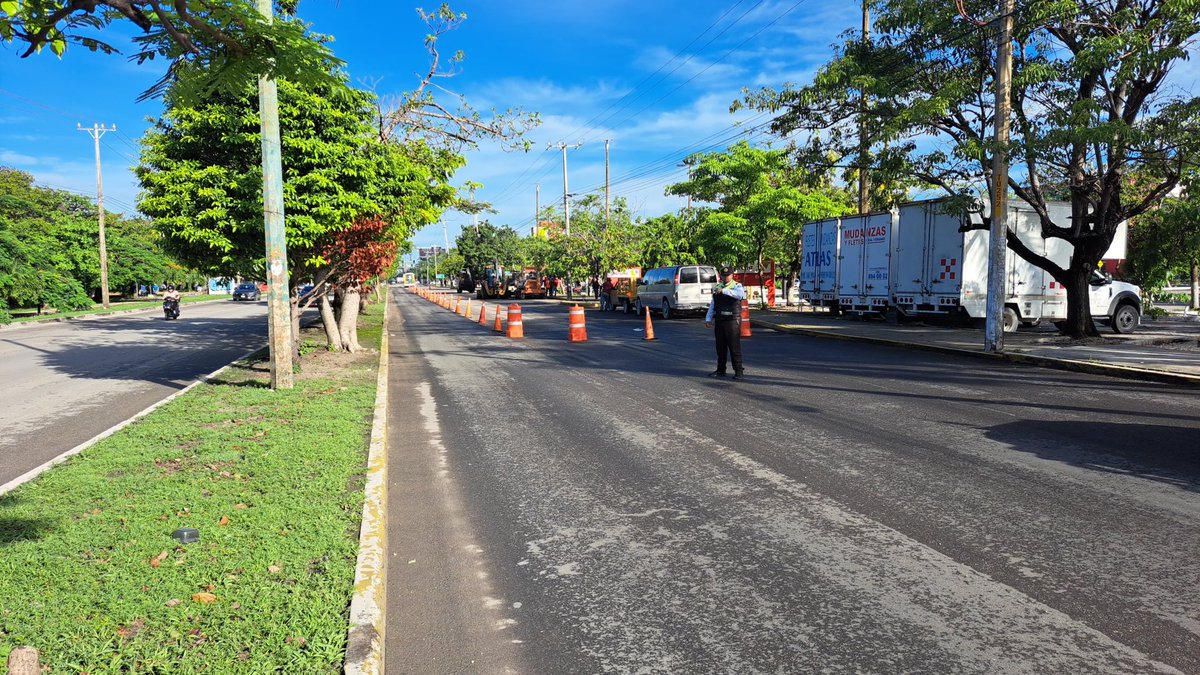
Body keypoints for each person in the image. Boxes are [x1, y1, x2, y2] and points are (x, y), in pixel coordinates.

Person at [704, 266, 747, 380]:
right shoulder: (718, 287)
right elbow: (713, 305)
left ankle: (738, 371)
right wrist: (708, 319)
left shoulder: (737, 286)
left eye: (728, 275)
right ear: (721, 276)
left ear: (732, 275)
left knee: (734, 347)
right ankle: (721, 370)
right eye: (723, 275)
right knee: (720, 348)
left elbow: (740, 295)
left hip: (732, 321)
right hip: (720, 321)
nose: (726, 277)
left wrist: (724, 291)